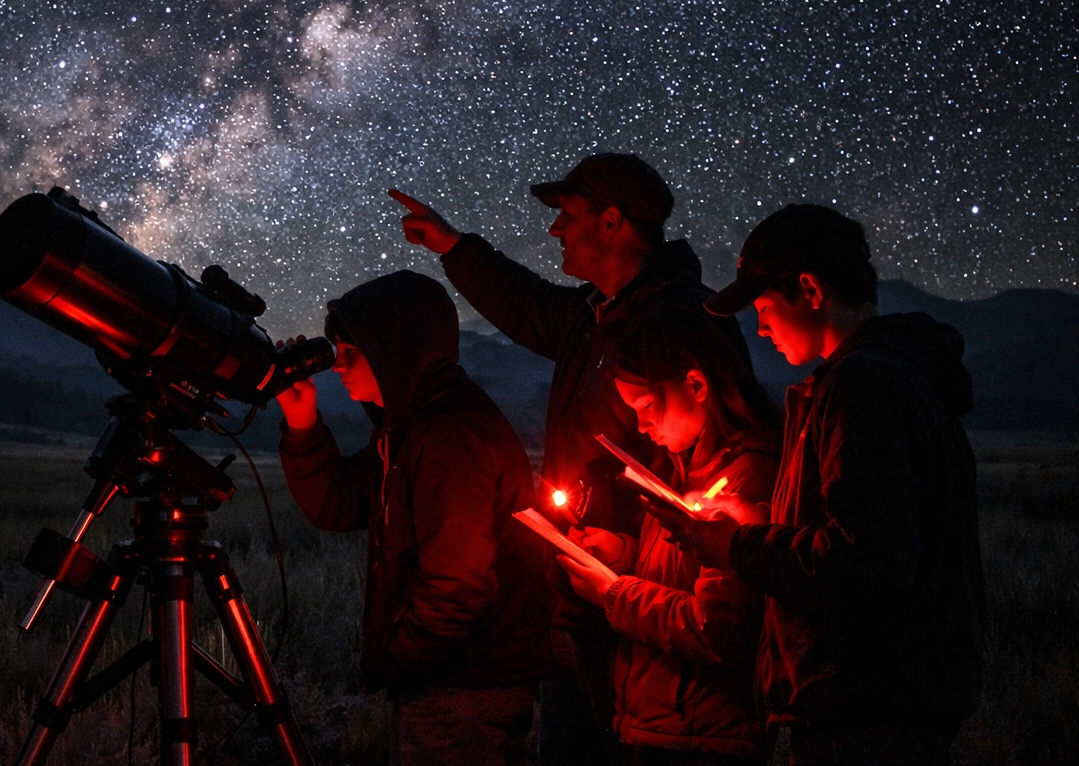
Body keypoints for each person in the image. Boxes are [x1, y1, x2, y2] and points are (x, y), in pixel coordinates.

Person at [391, 152, 751, 765]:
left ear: (612, 222)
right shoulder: (594, 316)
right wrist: (453, 246)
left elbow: (715, 464)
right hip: (585, 592)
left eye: (566, 213)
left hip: (642, 610)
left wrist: (629, 555)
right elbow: (525, 302)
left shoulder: (680, 320)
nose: (554, 229)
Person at [650, 204, 985, 766]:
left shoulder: (864, 384)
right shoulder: (889, 377)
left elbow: (868, 558)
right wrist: (760, 522)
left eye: (763, 306)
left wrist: (732, 547)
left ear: (808, 289)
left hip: (866, 704)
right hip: (886, 699)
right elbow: (872, 532)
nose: (758, 326)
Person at [275, 270, 551, 766]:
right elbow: (338, 504)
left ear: (394, 350)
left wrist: (399, 661)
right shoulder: (412, 430)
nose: (338, 365)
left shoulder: (448, 435)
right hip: (451, 683)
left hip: (462, 690)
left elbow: (456, 586)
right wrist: (302, 422)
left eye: (350, 351)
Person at [556, 307, 780, 766]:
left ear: (696, 386)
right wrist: (623, 552)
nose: (640, 426)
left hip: (706, 736)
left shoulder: (745, 480)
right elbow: (685, 571)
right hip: (665, 724)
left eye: (644, 406)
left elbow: (716, 627)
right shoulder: (684, 468)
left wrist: (614, 594)